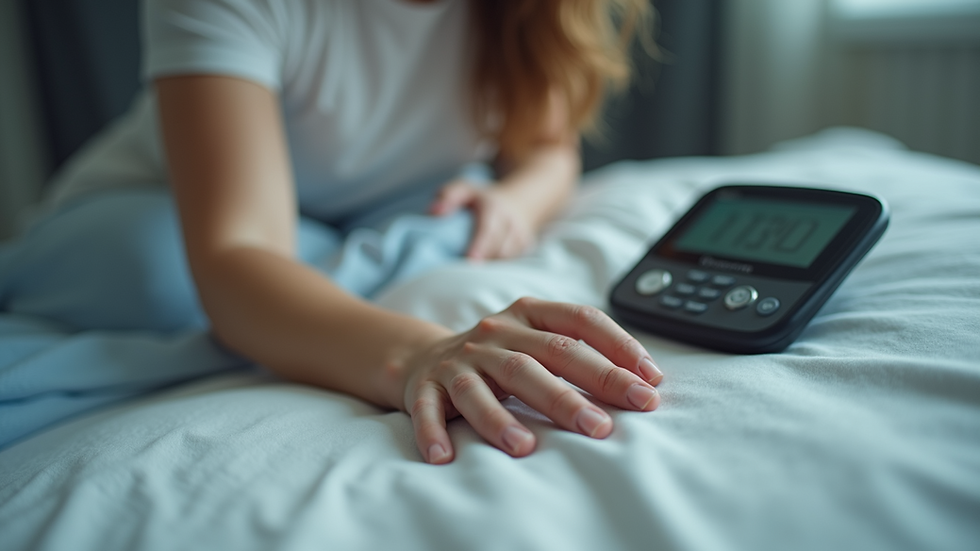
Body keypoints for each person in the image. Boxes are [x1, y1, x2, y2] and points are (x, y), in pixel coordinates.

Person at [5, 0, 663, 463]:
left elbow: (549, 151)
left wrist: (512, 200)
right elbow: (240, 250)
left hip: (343, 219)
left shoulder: (525, 11)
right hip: (143, 213)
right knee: (167, 278)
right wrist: (417, 353)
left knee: (449, 226)